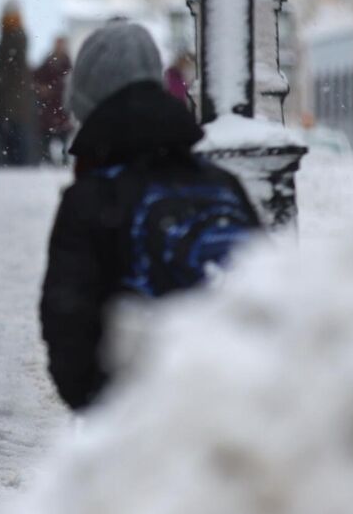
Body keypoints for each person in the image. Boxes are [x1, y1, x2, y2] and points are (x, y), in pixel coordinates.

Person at [39, 21, 261, 411]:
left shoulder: (92, 197)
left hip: (142, 429)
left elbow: (68, 330)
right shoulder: (220, 183)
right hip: (234, 410)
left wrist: (99, 406)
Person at [0, 7, 36, 167]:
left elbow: (5, 72)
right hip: (13, 103)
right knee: (14, 143)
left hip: (11, 103)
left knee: (12, 144)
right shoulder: (14, 39)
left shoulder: (12, 40)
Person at [32, 36, 74, 161]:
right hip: (50, 107)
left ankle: (62, 158)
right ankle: (48, 158)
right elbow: (36, 78)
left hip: (61, 106)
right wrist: (41, 88)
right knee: (47, 136)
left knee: (63, 136)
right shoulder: (48, 62)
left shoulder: (67, 63)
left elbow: (69, 82)